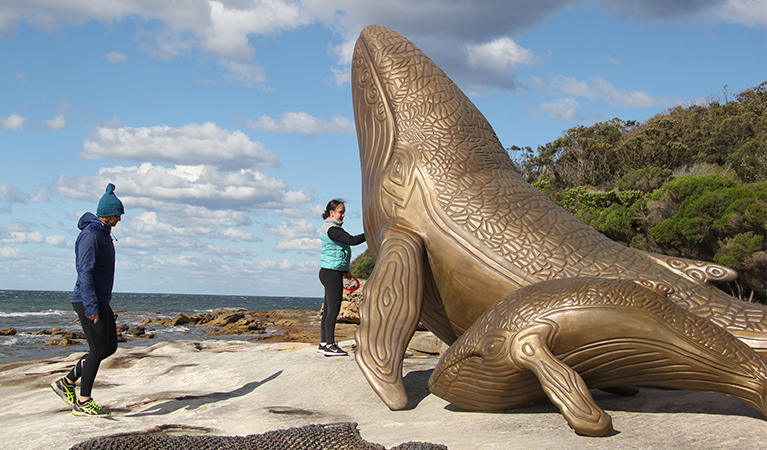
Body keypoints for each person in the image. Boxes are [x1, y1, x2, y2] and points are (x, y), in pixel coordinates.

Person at [51, 183, 124, 417]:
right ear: (108, 214)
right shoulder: (91, 235)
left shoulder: (103, 234)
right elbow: (84, 271)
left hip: (98, 299)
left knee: (109, 347)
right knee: (97, 348)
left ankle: (67, 382)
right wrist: (92, 305)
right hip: (87, 300)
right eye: (117, 215)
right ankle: (83, 401)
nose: (119, 220)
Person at [319, 199, 365, 356]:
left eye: (344, 212)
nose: (343, 215)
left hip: (331, 271)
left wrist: (345, 269)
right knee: (333, 310)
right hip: (331, 273)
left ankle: (324, 342)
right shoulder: (332, 229)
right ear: (332, 213)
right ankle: (330, 345)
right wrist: (371, 233)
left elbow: (339, 249)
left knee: (328, 310)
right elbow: (351, 241)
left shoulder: (332, 227)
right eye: (341, 212)